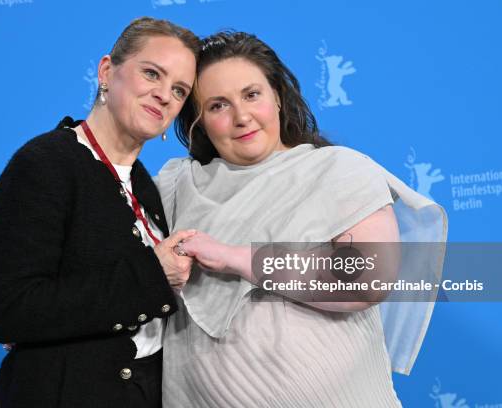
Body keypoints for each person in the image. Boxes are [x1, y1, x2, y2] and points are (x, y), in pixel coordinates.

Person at [156, 31, 447, 407]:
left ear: (277, 95)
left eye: (251, 94)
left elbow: (369, 277)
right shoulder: (177, 185)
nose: (241, 116)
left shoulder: (338, 169)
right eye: (218, 105)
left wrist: (235, 257)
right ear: (197, 120)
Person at [0, 17, 200, 408]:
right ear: (106, 71)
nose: (165, 95)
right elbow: (9, 311)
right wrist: (151, 275)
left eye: (179, 90)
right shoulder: (45, 164)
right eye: (152, 73)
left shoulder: (146, 184)